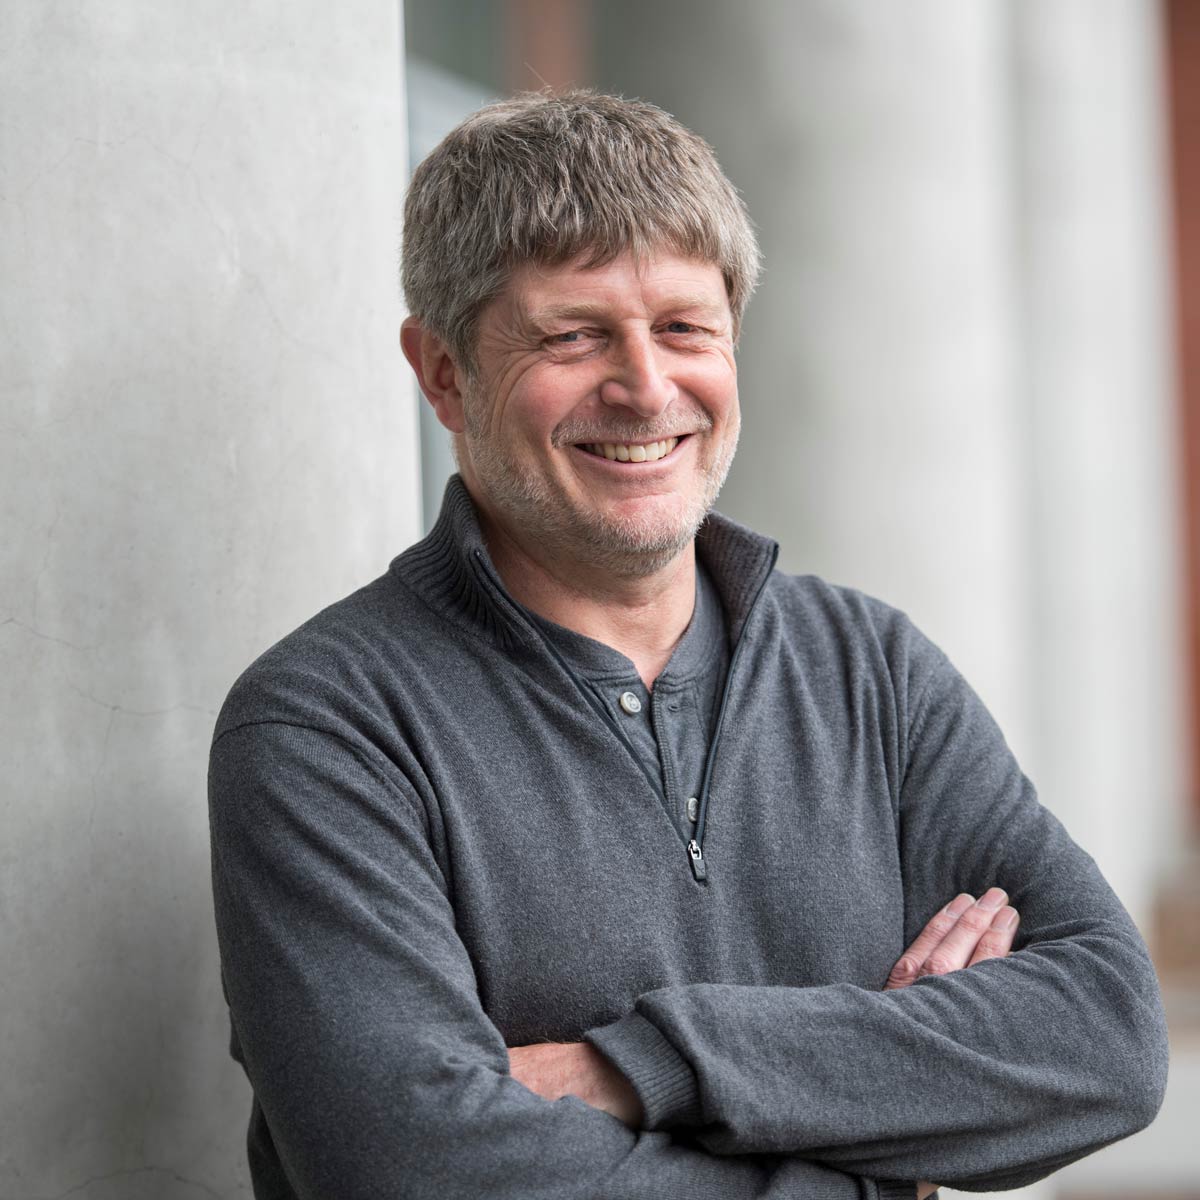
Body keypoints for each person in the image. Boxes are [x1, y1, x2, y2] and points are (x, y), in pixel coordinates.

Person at [208, 91, 1168, 1200]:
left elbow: (1105, 1038)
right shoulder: (325, 725)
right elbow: (414, 1166)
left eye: (683, 327)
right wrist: (875, 1127)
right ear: (443, 374)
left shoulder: (873, 673)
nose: (648, 387)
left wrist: (635, 1068)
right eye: (573, 335)